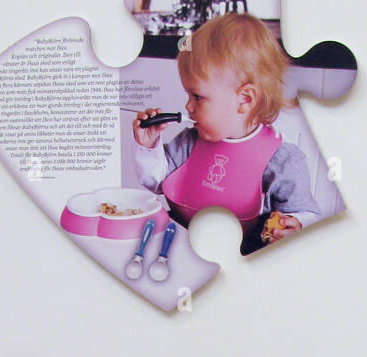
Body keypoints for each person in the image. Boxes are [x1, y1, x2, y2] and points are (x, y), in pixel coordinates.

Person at [132, 14, 320, 253]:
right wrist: (147, 146)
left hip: (245, 256)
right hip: (180, 244)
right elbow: (156, 181)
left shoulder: (283, 161)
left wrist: (295, 226)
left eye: (197, 96)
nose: (188, 106)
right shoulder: (190, 142)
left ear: (245, 99)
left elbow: (306, 214)